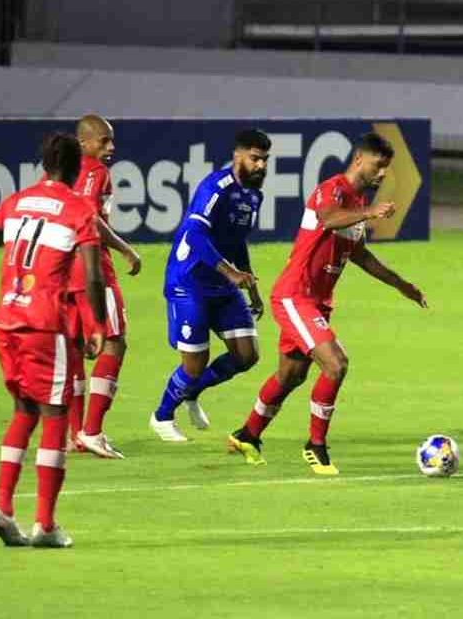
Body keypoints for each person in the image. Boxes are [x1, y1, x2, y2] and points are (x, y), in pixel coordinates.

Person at [228, 132, 427, 475]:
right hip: (295, 294)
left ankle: (248, 434)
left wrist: (401, 285)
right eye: (379, 166)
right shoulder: (333, 189)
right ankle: (315, 445)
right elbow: (328, 218)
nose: (382, 175)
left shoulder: (357, 204)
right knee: (336, 364)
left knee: (290, 376)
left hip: (316, 303)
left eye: (387, 170)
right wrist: (369, 211)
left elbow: (360, 256)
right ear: (360, 160)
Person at [0, 132, 108, 548]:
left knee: (23, 412)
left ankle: (2, 509)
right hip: (46, 325)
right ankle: (44, 524)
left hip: (8, 322)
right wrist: (97, 325)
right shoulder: (78, 209)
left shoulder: (17, 201)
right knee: (55, 415)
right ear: (77, 167)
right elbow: (94, 273)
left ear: (44, 165)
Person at [149, 129, 269, 442]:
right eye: (255, 159)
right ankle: (162, 416)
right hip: (190, 282)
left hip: (223, 285)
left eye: (265, 160)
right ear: (238, 156)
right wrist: (231, 273)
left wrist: (251, 286)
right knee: (194, 362)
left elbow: (237, 242)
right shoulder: (216, 187)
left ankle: (193, 392)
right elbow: (195, 234)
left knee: (247, 354)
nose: (261, 166)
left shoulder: (254, 196)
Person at [62, 114, 142, 459]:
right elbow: (90, 219)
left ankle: (75, 433)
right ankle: (92, 430)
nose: (111, 147)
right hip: (94, 269)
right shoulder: (96, 172)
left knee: (77, 350)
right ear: (84, 142)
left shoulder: (62, 173)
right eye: (104, 141)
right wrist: (125, 249)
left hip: (63, 270)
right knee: (114, 342)